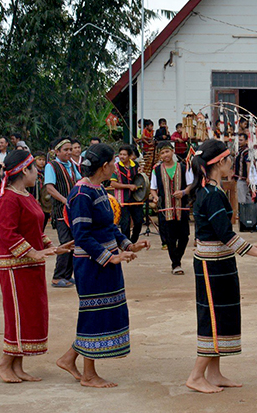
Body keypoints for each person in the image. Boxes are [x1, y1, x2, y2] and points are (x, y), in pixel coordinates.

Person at [185, 139, 257, 393]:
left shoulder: (212, 191)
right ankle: (196, 376)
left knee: (222, 315)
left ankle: (214, 373)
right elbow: (225, 235)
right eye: (229, 160)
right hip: (212, 266)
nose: (232, 164)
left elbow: (225, 235)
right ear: (220, 163)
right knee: (213, 318)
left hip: (220, 262)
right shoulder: (211, 194)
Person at [55, 143, 149, 388]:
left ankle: (69, 359)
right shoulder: (82, 194)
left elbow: (109, 228)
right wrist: (110, 257)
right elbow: (82, 235)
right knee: (94, 314)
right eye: (113, 163)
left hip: (104, 263)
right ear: (105, 166)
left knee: (105, 312)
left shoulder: (98, 190)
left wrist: (129, 246)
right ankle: (88, 375)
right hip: (91, 265)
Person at [0, 150, 71, 383]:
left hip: (31, 266)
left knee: (30, 314)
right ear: (23, 170)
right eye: (34, 169)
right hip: (15, 268)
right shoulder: (6, 198)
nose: (38, 172)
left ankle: (17, 365)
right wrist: (34, 252)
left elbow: (36, 230)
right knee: (18, 314)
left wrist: (53, 247)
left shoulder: (25, 195)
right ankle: (4, 363)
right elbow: (7, 233)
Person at [44, 137, 81, 287]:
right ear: (57, 152)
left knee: (74, 243)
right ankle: (57, 276)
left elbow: (79, 181)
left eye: (70, 149)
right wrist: (65, 200)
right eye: (65, 150)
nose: (69, 152)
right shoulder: (51, 166)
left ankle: (67, 274)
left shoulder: (72, 165)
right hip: (61, 212)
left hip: (73, 211)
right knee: (65, 243)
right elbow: (49, 188)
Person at [151, 141, 190, 274]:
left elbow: (191, 186)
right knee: (170, 238)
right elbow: (153, 189)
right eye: (162, 153)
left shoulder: (184, 167)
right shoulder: (156, 170)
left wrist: (183, 192)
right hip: (165, 209)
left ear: (172, 151)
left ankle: (176, 258)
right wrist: (155, 197)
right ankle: (176, 264)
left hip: (181, 208)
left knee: (184, 237)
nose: (165, 155)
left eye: (167, 151)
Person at [111, 145, 145, 243]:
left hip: (136, 199)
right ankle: (126, 243)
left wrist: (141, 174)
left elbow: (141, 180)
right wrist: (128, 186)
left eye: (124, 155)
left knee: (138, 222)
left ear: (130, 156)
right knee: (125, 223)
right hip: (122, 199)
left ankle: (133, 240)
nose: (122, 156)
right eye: (120, 154)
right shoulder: (115, 167)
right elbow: (113, 183)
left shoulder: (136, 165)